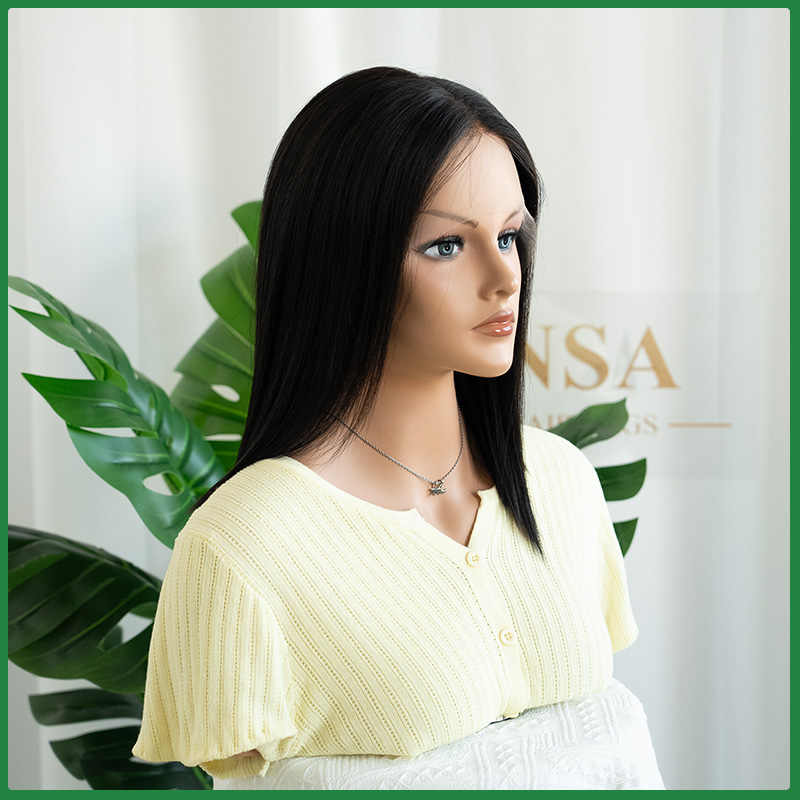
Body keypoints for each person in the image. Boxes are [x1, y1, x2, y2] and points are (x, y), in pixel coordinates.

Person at [132, 66, 663, 790]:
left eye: (509, 236)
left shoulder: (561, 479)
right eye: (447, 245)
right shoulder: (241, 548)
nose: (505, 276)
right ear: (344, 261)